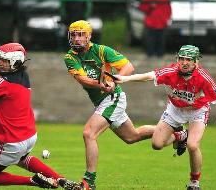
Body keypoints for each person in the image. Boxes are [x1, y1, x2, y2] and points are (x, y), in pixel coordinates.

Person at [0, 42, 79, 189]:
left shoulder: (3, 84)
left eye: (4, 61)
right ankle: (60, 180)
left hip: (12, 141)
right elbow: (6, 76)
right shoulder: (23, 75)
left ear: (15, 62)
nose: (0, 63)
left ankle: (33, 181)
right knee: (22, 159)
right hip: (29, 136)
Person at [113, 45, 216, 190]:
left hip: (197, 111)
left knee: (193, 145)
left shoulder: (204, 77)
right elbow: (148, 76)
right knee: (157, 144)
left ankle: (194, 183)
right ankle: (180, 135)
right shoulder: (171, 71)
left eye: (188, 60)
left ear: (196, 62)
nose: (184, 62)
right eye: (181, 58)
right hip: (175, 110)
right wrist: (124, 78)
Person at [63, 20, 156, 190]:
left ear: (89, 36)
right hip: (101, 101)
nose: (76, 38)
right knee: (132, 137)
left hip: (113, 98)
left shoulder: (101, 50)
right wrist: (101, 84)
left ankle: (89, 182)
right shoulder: (70, 57)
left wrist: (113, 81)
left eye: (81, 34)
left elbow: (128, 67)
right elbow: (82, 79)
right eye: (73, 34)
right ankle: (173, 130)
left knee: (88, 133)